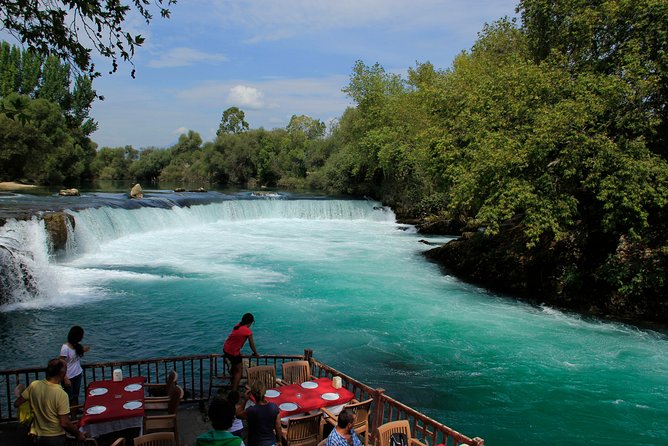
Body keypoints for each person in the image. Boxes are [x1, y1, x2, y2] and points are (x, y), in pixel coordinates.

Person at [14, 358, 86, 445]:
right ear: (62, 374)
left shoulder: (34, 385)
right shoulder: (61, 394)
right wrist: (78, 434)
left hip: (35, 435)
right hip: (54, 437)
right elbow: (65, 423)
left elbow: (17, 403)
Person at [223, 313, 258, 391]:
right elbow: (251, 345)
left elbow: (235, 340)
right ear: (250, 322)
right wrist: (256, 353)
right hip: (233, 352)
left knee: (234, 365)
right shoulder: (248, 331)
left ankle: (231, 380)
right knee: (239, 372)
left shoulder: (238, 325)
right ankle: (234, 391)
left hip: (226, 348)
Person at [59, 326, 90, 408]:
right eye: (81, 336)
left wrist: (83, 350)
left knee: (75, 396)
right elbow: (61, 364)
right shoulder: (65, 348)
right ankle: (71, 415)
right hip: (69, 377)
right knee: (69, 397)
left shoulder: (76, 346)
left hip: (77, 374)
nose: (82, 337)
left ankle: (75, 412)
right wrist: (65, 378)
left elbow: (75, 356)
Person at [243, 380, 281, 446]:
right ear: (265, 392)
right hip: (271, 442)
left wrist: (245, 400)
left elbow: (237, 414)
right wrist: (279, 441)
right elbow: (278, 427)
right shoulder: (273, 407)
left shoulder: (251, 410)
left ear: (252, 393)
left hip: (255, 443)